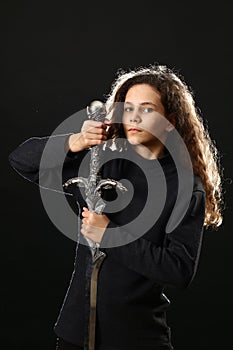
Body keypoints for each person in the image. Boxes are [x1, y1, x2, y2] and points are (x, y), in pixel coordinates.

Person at [8, 64, 224, 350]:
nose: (134, 117)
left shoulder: (185, 186)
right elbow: (22, 160)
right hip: (76, 334)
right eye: (129, 107)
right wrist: (77, 141)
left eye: (147, 109)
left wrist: (110, 236)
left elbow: (179, 270)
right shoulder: (103, 162)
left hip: (137, 338)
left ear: (171, 119)